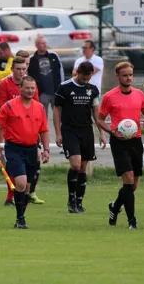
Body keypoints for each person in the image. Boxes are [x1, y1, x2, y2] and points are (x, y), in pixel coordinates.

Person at [97, 62, 144, 230]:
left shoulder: (139, 94)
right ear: (117, 77)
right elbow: (100, 120)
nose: (128, 78)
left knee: (133, 185)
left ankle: (115, 206)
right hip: (119, 142)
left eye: (130, 74)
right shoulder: (109, 97)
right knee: (128, 178)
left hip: (136, 141)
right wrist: (112, 131)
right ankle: (132, 222)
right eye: (125, 75)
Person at [0, 76, 50, 229]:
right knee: (21, 183)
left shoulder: (40, 108)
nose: (30, 91)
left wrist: (46, 150)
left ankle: (21, 217)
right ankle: (20, 218)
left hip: (32, 149)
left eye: (33, 88)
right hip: (14, 148)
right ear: (20, 88)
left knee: (27, 188)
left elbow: (44, 131)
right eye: (27, 88)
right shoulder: (9, 106)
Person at [54, 61, 106, 213]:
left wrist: (102, 133)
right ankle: (71, 200)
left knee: (83, 168)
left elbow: (97, 113)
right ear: (78, 72)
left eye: (88, 78)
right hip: (70, 130)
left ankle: (79, 202)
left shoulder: (92, 89)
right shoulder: (64, 87)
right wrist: (58, 133)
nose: (86, 81)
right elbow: (57, 110)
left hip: (86, 130)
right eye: (84, 78)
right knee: (75, 165)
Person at [0, 57, 41, 205]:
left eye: (24, 69)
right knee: (13, 166)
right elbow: (2, 107)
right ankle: (12, 195)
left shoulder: (30, 85)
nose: (21, 72)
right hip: (11, 131)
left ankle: (28, 193)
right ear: (12, 69)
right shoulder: (4, 85)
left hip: (29, 130)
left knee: (32, 164)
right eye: (18, 69)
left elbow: (37, 108)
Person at [28, 35, 65, 116]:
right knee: (42, 118)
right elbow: (28, 76)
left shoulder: (53, 55)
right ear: (37, 45)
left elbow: (61, 71)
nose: (45, 45)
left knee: (59, 117)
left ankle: (59, 129)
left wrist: (61, 87)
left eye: (45, 43)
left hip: (55, 92)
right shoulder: (31, 60)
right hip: (41, 93)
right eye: (42, 43)